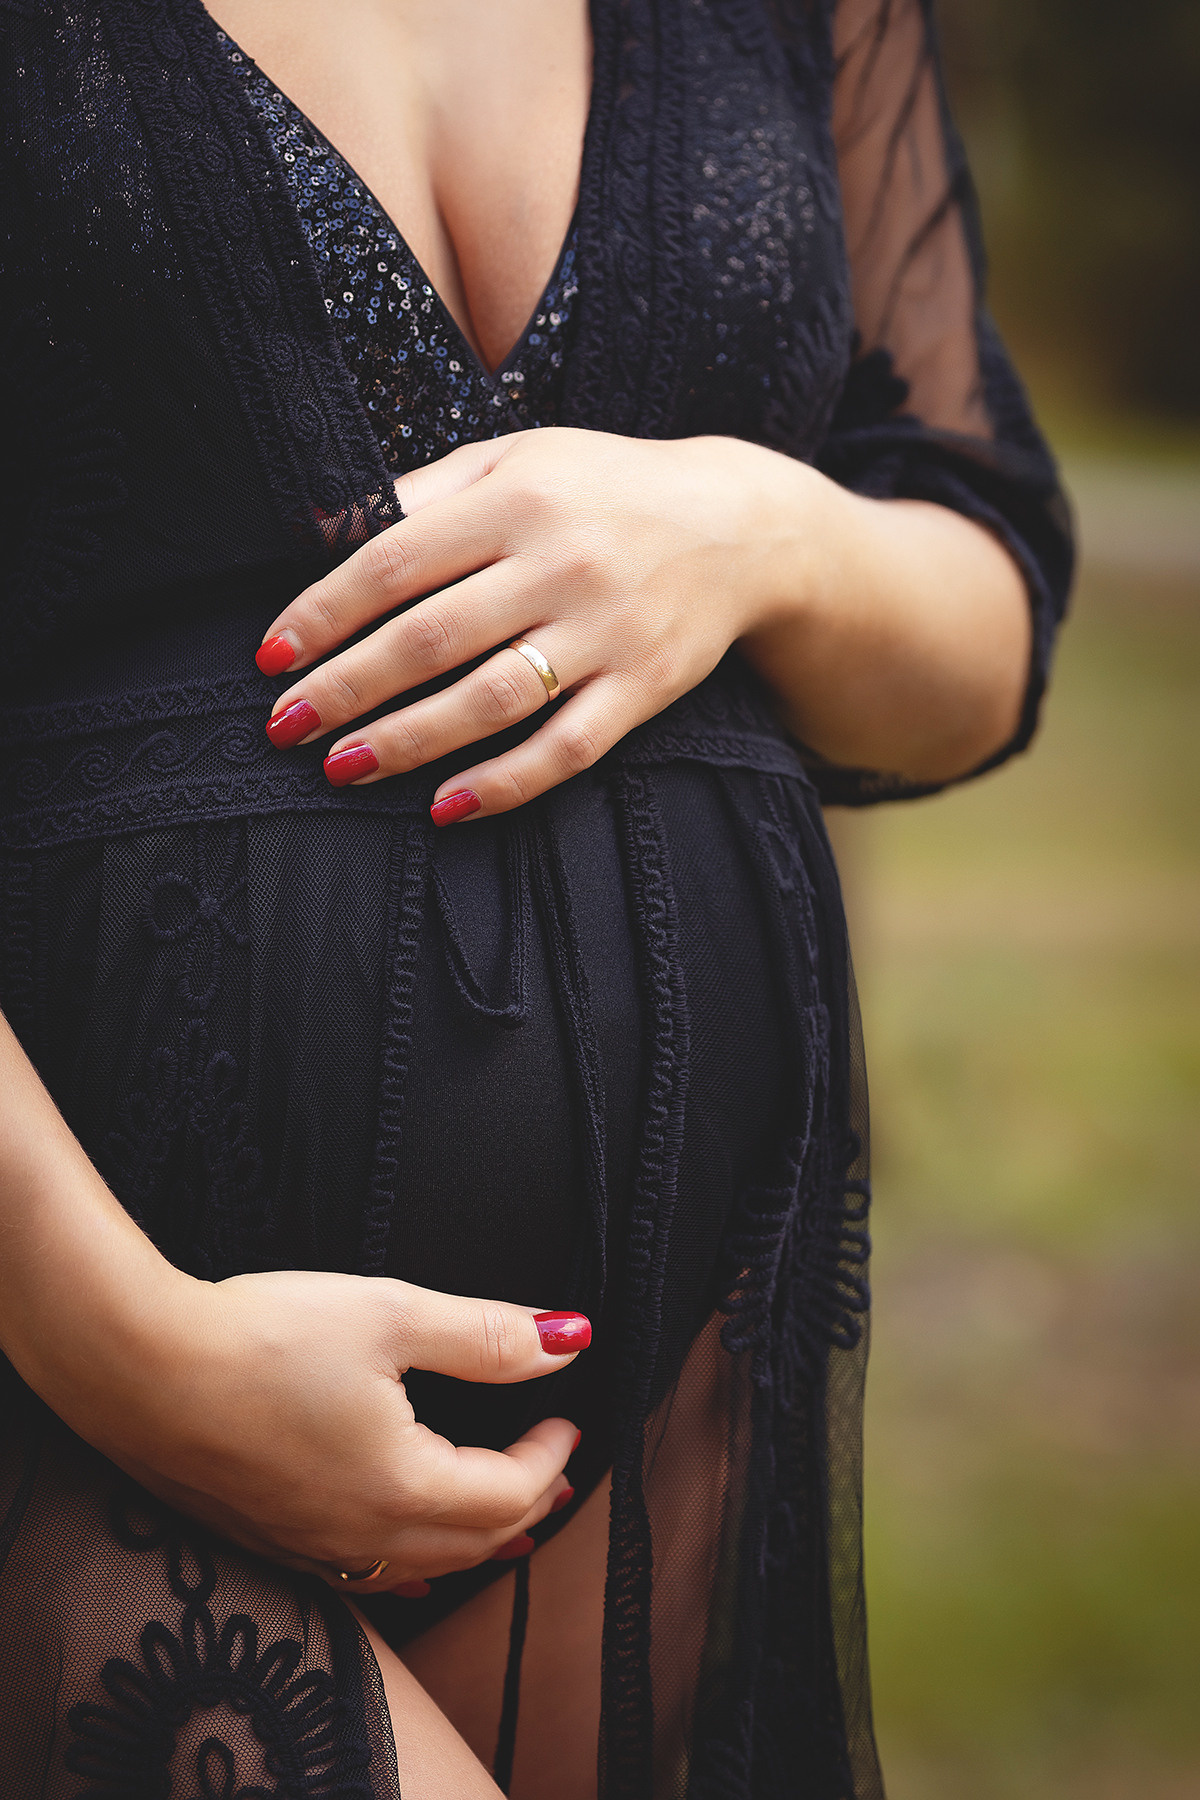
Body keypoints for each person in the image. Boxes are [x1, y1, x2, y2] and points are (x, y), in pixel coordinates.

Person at [0, 0, 1072, 1793]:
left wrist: (760, 530)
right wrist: (126, 1344)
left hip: (661, 1386)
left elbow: (987, 625)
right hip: (78, 1370)